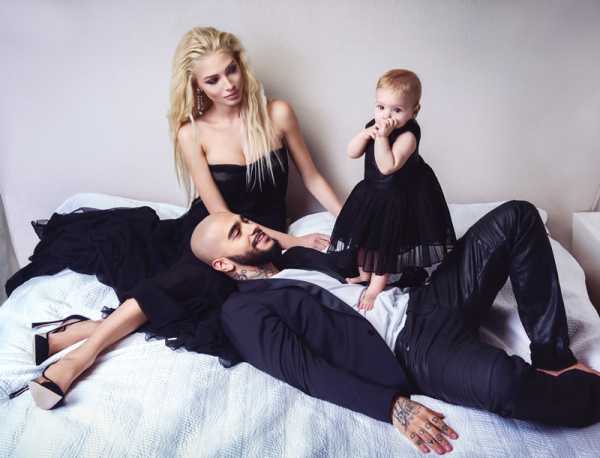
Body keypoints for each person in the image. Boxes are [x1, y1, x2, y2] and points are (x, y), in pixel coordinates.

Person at [7, 26, 342, 409]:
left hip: (257, 236)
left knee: (212, 305)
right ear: (196, 85)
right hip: (211, 229)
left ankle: (75, 331)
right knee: (189, 281)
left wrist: (351, 221)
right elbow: (219, 212)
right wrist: (292, 241)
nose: (228, 85)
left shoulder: (276, 113)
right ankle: (79, 358)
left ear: (241, 65)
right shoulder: (191, 133)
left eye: (231, 70)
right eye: (212, 80)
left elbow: (313, 178)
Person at [191, 202, 600, 455]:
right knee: (506, 385)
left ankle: (554, 357)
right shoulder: (242, 312)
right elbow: (306, 372)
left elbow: (364, 271)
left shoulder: (296, 257)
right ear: (223, 264)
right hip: (412, 349)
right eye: (236, 232)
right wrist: (393, 408)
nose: (251, 227)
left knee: (517, 216)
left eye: (244, 220)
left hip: (426, 301)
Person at [329, 69, 456, 310]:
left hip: (396, 197)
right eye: (380, 107)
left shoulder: (409, 135)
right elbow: (352, 152)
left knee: (383, 243)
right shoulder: (374, 126)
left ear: (414, 111)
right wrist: (364, 134)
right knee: (365, 238)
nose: (386, 115)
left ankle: (376, 286)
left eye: (396, 110)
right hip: (372, 192)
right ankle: (364, 274)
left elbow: (387, 166)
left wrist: (381, 138)